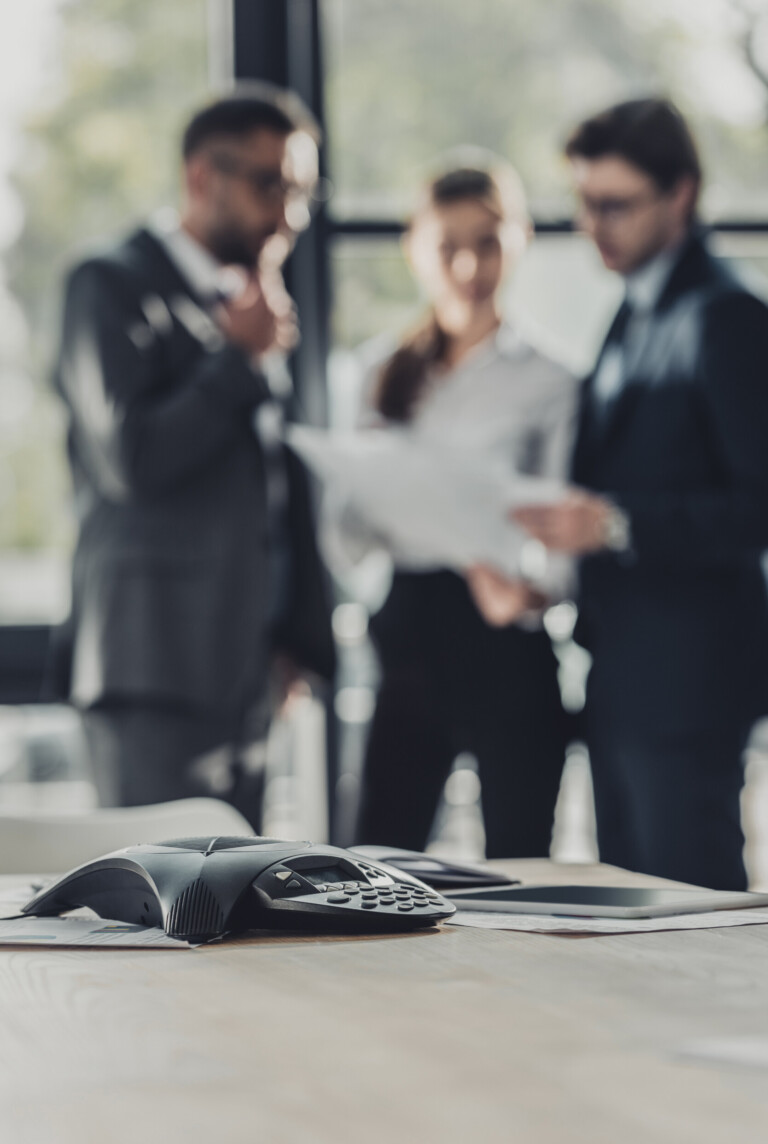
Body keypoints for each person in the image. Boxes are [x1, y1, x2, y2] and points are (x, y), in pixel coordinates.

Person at [476, 98, 768, 889]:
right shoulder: (629, 313)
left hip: (689, 681)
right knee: (636, 911)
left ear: (682, 195)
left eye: (615, 204)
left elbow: (759, 506)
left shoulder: (726, 318)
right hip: (622, 670)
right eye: (582, 202)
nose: (592, 225)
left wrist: (612, 523)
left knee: (690, 910)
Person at [54, 85, 336, 824]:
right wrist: (237, 358)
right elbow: (130, 459)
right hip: (152, 668)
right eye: (269, 183)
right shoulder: (108, 284)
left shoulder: (255, 308)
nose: (289, 213)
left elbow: (274, 483)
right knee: (159, 913)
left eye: (302, 189)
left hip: (249, 674)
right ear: (200, 176)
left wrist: (294, 634)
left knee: (234, 918)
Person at [328, 159, 576, 858]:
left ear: (520, 240)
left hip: (505, 629)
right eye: (448, 246)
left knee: (522, 864)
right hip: (407, 630)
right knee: (378, 857)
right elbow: (345, 536)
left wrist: (533, 594)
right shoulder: (376, 373)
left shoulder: (553, 378)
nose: (469, 265)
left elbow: (563, 528)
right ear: (415, 248)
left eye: (490, 242)